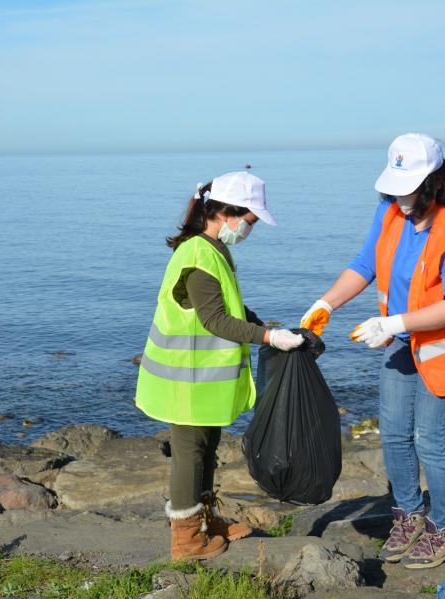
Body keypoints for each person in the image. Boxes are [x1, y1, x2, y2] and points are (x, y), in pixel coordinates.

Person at [301, 133, 445, 569]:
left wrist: (393, 323)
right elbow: (366, 263)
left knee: (430, 440)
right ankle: (409, 517)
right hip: (403, 342)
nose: (401, 198)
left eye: (409, 190)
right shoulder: (390, 211)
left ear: (435, 182)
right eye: (396, 188)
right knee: (393, 433)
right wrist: (327, 301)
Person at [136, 171, 305, 561]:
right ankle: (186, 538)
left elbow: (228, 306)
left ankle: (207, 521)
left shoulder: (214, 249)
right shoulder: (197, 255)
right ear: (227, 213)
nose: (250, 229)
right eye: (249, 221)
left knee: (206, 447)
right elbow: (215, 320)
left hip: (202, 377)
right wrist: (268, 338)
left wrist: (263, 325)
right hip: (185, 377)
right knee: (189, 452)